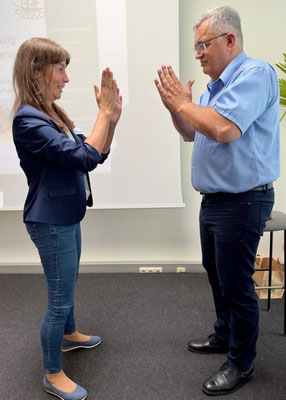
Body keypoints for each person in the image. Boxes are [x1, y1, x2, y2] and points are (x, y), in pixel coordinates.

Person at [154, 5, 279, 396]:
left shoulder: (255, 74)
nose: (197, 54)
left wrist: (182, 105)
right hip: (216, 202)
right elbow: (193, 133)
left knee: (236, 283)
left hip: (243, 201)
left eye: (203, 45)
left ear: (230, 40)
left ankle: (242, 363)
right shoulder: (213, 87)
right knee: (216, 274)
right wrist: (176, 109)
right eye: (195, 47)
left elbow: (224, 129)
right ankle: (224, 336)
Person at [12, 37, 122, 400]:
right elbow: (82, 158)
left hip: (66, 214)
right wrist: (103, 114)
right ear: (36, 71)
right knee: (59, 298)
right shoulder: (28, 120)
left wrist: (112, 120)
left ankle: (69, 334)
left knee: (68, 283)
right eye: (60, 69)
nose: (66, 79)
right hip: (49, 220)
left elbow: (95, 155)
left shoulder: (52, 114)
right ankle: (52, 374)